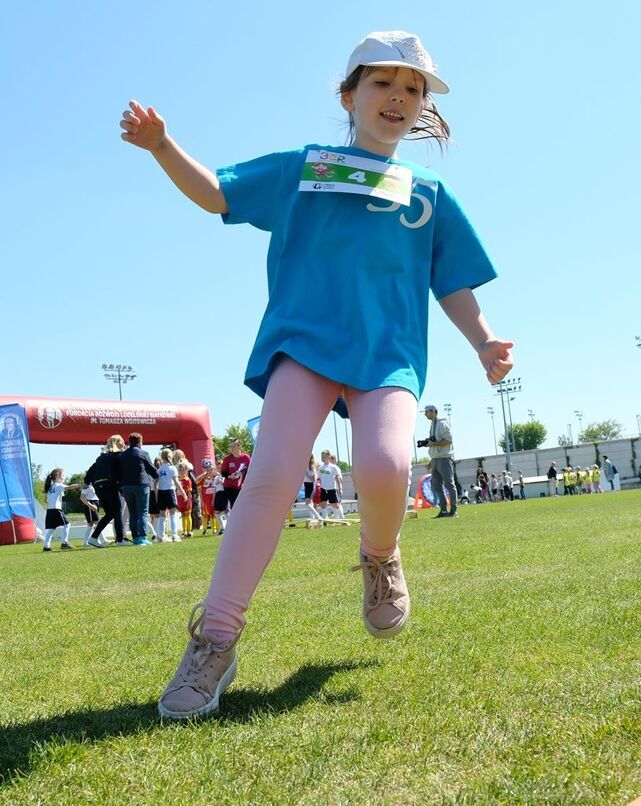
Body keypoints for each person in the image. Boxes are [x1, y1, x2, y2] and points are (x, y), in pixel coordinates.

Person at [122, 29, 514, 720]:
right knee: (271, 475)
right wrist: (161, 148)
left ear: (424, 107)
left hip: (386, 354)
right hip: (302, 345)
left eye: (414, 88)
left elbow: (451, 282)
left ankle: (380, 556)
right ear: (348, 95)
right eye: (383, 83)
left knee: (389, 465)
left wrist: (483, 340)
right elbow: (218, 193)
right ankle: (214, 641)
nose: (399, 97)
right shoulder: (308, 167)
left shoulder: (427, 195)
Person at [118, 433, 159, 545]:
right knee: (143, 512)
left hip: (126, 487)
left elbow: (119, 472)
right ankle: (142, 537)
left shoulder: (123, 455)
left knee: (133, 513)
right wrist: (156, 477)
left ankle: (135, 537)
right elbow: (152, 469)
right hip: (141, 485)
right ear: (139, 441)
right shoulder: (143, 453)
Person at [419, 404, 457, 517]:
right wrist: (428, 446)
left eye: (426, 412)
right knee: (436, 485)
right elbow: (435, 441)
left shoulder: (442, 423)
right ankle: (443, 509)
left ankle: (454, 510)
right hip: (436, 459)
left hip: (444, 458)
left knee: (449, 484)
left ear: (433, 411)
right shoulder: (433, 424)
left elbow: (449, 440)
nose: (425, 414)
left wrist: (433, 444)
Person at [86, 435, 125, 547]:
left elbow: (91, 470)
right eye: (122, 442)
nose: (124, 444)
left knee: (110, 514)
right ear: (118, 442)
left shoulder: (101, 457)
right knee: (117, 512)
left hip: (99, 487)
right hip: (110, 484)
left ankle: (93, 537)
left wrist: (86, 482)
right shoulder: (118, 456)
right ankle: (120, 539)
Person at [216, 438, 251, 532]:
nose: (232, 448)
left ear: (239, 446)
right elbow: (223, 472)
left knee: (242, 506)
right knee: (235, 506)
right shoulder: (227, 459)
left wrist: (241, 475)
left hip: (243, 486)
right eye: (230, 446)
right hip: (229, 487)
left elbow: (250, 470)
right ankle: (237, 527)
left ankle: (242, 525)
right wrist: (229, 476)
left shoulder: (246, 458)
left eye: (234, 446)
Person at [41, 469, 74, 552]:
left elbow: (46, 500)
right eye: (62, 475)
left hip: (50, 510)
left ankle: (46, 546)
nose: (64, 478)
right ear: (57, 476)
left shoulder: (50, 487)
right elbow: (69, 487)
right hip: (56, 509)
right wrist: (80, 485)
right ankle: (64, 543)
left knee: (51, 528)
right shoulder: (59, 485)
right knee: (67, 525)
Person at [155, 449, 183, 542]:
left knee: (162, 516)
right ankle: (174, 535)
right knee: (173, 515)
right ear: (170, 456)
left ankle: (160, 536)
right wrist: (183, 493)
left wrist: (156, 495)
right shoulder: (172, 468)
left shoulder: (159, 470)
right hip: (170, 491)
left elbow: (155, 484)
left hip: (161, 492)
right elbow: (176, 482)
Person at [316, 450, 347, 521]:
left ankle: (342, 519)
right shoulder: (320, 468)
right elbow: (318, 478)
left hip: (332, 489)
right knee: (323, 504)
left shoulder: (333, 467)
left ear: (328, 457)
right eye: (322, 457)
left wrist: (340, 488)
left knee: (335, 505)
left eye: (324, 457)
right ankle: (325, 520)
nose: (322, 458)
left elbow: (337, 477)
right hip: (323, 489)